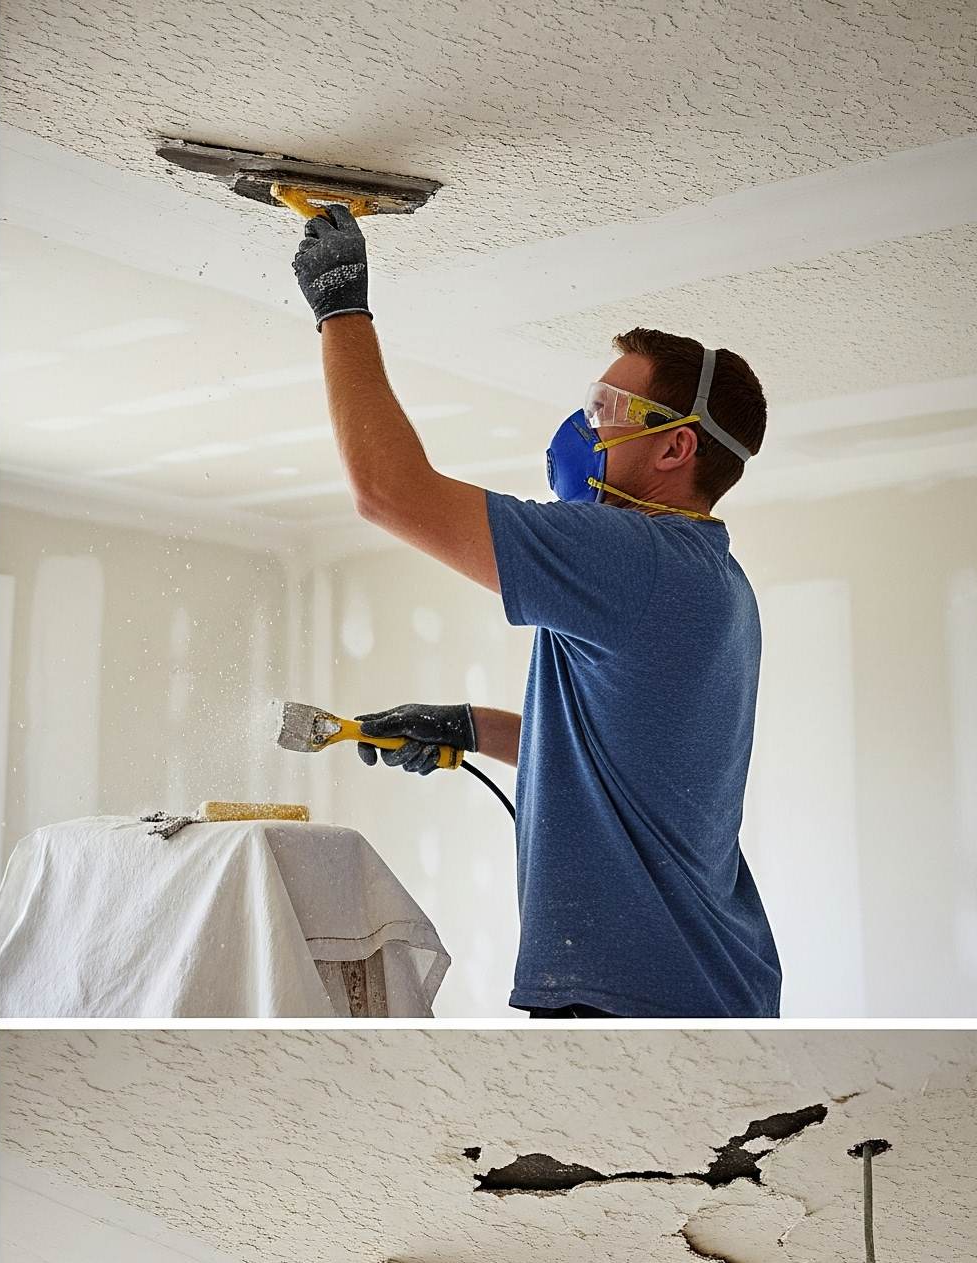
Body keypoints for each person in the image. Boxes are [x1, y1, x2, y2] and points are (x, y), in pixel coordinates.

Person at [293, 206, 780, 1019]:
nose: (584, 425)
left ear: (675, 448)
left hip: (637, 1001)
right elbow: (625, 766)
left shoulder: (635, 557)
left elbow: (389, 492)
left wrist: (340, 307)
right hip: (692, 985)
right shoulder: (712, 576)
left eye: (607, 409)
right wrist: (470, 728)